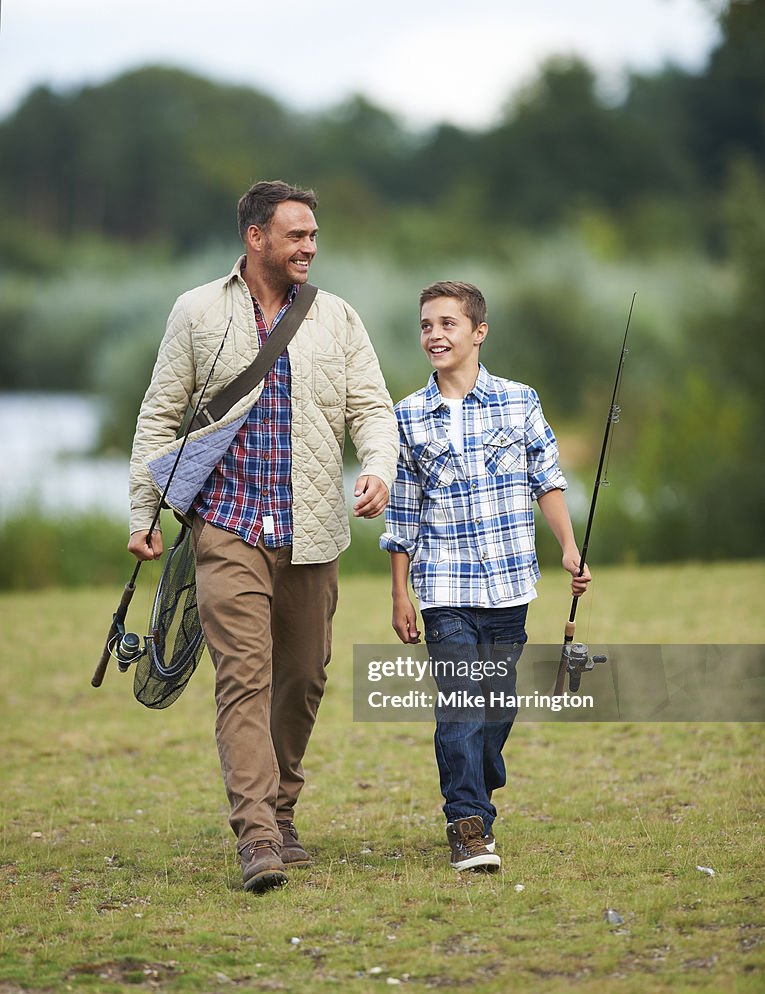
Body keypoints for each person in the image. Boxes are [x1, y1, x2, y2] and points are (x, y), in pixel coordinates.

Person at [128, 180, 398, 893]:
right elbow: (159, 417)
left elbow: (372, 407)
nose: (310, 247)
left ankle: (280, 808)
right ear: (256, 238)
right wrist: (142, 515)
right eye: (296, 236)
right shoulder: (195, 311)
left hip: (312, 526)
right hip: (227, 524)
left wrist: (378, 468)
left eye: (313, 235)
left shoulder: (337, 317)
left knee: (303, 677)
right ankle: (257, 836)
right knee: (243, 678)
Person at [380, 281, 591, 872]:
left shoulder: (519, 401)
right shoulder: (407, 417)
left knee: (495, 709)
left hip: (509, 585)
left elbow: (545, 480)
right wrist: (400, 593)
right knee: (461, 707)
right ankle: (467, 824)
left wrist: (569, 548)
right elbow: (402, 513)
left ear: (478, 332)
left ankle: (481, 776)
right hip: (442, 587)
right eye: (426, 325)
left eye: (447, 324)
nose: (434, 335)